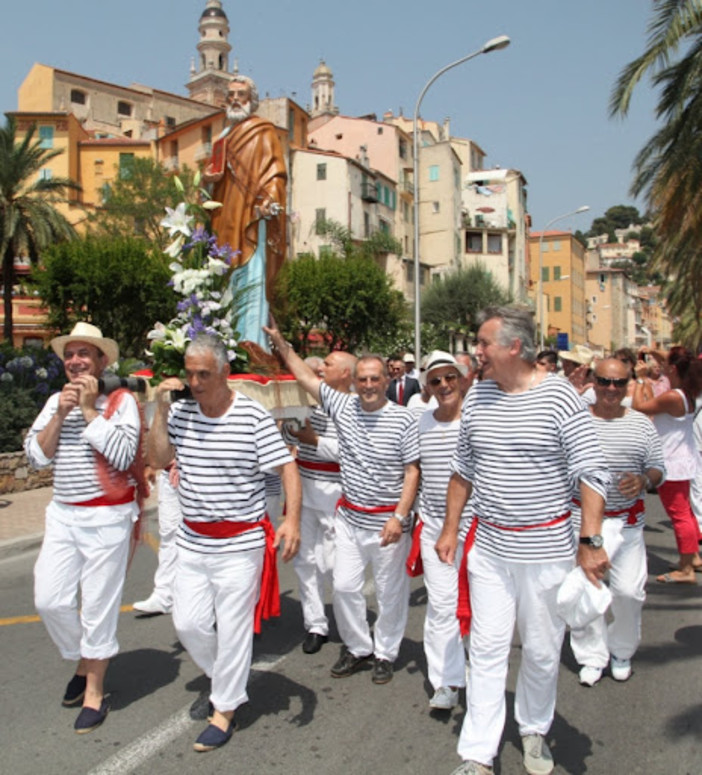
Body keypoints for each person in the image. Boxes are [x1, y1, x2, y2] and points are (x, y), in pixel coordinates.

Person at [436, 306, 610, 775]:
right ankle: (477, 753)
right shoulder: (477, 399)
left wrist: (590, 540)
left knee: (539, 649)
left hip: (547, 552)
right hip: (490, 550)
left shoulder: (560, 398)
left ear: (514, 347)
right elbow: (463, 470)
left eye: (483, 343)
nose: (477, 352)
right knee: (487, 650)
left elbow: (591, 472)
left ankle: (533, 728)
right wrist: (451, 529)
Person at [147, 333, 301, 752]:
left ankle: (225, 708)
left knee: (233, 630)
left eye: (204, 374)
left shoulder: (251, 417)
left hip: (240, 542)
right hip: (194, 541)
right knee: (188, 623)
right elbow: (158, 458)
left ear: (225, 373)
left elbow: (287, 468)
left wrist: (291, 519)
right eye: (190, 373)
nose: (195, 383)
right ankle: (228, 681)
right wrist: (160, 411)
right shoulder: (181, 415)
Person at [264, 319, 420, 686]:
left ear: (386, 381)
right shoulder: (344, 407)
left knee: (389, 592)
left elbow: (412, 472)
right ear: (355, 382)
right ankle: (357, 646)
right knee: (346, 587)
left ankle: (385, 652)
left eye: (374, 379)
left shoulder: (403, 419)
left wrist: (399, 517)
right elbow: (306, 377)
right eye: (363, 379)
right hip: (351, 517)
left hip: (388, 524)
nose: (368, 386)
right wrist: (282, 344)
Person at [25, 322, 144, 734]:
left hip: (108, 516)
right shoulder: (56, 401)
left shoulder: (121, 401)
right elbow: (37, 458)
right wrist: (61, 413)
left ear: (102, 361)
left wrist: (91, 410)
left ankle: (94, 690)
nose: (75, 361)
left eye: (84, 354)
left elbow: (123, 451)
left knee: (97, 605)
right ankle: (86, 657)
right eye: (70, 355)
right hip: (63, 514)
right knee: (50, 600)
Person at [570, 358, 665, 687]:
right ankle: (591, 656)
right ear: (593, 382)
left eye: (619, 383)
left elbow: (657, 468)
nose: (611, 389)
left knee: (628, 592)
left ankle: (621, 649)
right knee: (590, 589)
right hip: (588, 527)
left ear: (629, 385)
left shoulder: (641, 424)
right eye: (605, 382)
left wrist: (643, 481)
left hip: (627, 525)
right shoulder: (576, 422)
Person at [203, 75, 287, 348]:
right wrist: (206, 179)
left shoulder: (263, 131)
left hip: (251, 217)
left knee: (251, 277)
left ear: (252, 100)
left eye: (241, 94)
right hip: (223, 217)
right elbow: (209, 180)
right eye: (230, 95)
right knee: (223, 279)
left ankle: (250, 344)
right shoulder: (222, 138)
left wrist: (271, 197)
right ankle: (223, 345)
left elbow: (276, 173)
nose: (235, 99)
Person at [283, 350, 357, 654]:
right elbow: (291, 439)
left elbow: (355, 452)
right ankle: (315, 623)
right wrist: (290, 427)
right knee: (305, 560)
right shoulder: (308, 401)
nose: (320, 367)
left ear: (345, 374)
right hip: (305, 486)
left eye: (328, 364)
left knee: (333, 563)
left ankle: (350, 623)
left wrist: (315, 441)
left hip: (336, 490)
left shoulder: (354, 407)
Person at [415, 352, 471, 711]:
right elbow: (409, 471)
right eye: (436, 381)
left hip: (480, 530)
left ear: (462, 378)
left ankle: (479, 671)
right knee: (441, 605)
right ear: (427, 388)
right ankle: (446, 681)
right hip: (434, 529)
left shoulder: (480, 419)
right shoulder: (419, 423)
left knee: (481, 608)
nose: (444, 385)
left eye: (450, 377)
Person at [633, 347, 702, 583]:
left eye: (666, 366)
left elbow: (639, 407)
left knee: (679, 514)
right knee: (686, 513)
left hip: (672, 462)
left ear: (673, 369)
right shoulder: (686, 392)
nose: (660, 367)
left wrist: (641, 379)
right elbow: (675, 362)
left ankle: (685, 569)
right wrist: (652, 351)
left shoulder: (673, 396)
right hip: (682, 459)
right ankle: (691, 558)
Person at [132, 463, 180, 615]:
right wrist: (151, 465)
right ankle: (165, 596)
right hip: (169, 476)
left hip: (202, 474)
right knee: (169, 535)